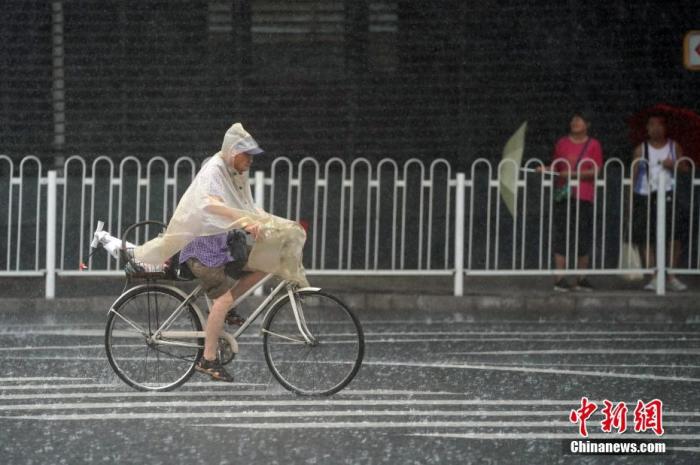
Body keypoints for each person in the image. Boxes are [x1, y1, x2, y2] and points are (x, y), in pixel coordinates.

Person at [179, 123, 268, 382]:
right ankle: (208, 359)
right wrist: (244, 223)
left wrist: (271, 223)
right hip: (203, 248)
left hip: (222, 243)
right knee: (223, 299)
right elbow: (211, 204)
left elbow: (246, 206)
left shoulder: (233, 173)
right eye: (247, 154)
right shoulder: (214, 171)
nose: (250, 160)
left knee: (264, 264)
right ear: (232, 152)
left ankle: (225, 308)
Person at [539, 112, 603, 292]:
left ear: (587, 124)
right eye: (573, 119)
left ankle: (581, 278)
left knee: (582, 235)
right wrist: (545, 169)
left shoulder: (593, 145)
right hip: (563, 194)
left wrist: (573, 174)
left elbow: (596, 170)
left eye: (580, 119)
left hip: (584, 195)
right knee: (561, 234)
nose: (575, 122)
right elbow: (557, 167)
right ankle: (560, 279)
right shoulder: (562, 143)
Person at [631, 113, 689, 292]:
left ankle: (670, 275)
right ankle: (654, 276)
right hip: (645, 194)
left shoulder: (674, 146)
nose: (655, 128)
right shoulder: (641, 149)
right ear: (647, 128)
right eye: (651, 125)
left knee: (674, 236)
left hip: (669, 194)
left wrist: (674, 165)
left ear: (665, 128)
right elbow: (633, 175)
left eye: (659, 125)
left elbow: (686, 169)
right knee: (646, 237)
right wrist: (630, 201)